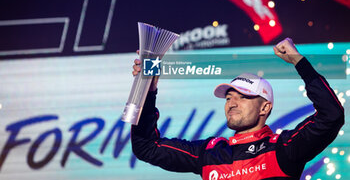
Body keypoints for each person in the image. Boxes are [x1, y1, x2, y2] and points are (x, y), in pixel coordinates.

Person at [131, 38, 344, 180]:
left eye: (243, 97)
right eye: (229, 97)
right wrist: (147, 90)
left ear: (265, 107)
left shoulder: (283, 147)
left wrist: (300, 62)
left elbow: (331, 115)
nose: (232, 103)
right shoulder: (210, 152)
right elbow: (147, 147)